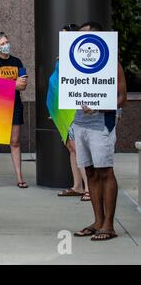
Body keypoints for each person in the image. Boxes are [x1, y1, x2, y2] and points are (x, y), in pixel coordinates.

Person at [73, 22, 127, 241]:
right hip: (80, 123)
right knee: (91, 172)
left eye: (88, 36)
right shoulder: (74, 64)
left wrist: (99, 105)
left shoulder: (112, 63)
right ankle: (97, 221)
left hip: (101, 124)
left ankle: (109, 225)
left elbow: (122, 97)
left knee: (105, 172)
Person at [0, 32, 28, 189]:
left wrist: (7, 84)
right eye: (2, 43)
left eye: (7, 42)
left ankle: (19, 177)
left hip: (15, 104)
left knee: (15, 142)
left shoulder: (17, 61)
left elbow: (23, 85)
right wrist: (13, 84)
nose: (6, 45)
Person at [55, 23, 90, 201]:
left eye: (66, 35)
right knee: (71, 148)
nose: (63, 39)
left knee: (78, 148)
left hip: (77, 109)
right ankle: (77, 186)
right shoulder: (62, 57)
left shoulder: (81, 57)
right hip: (64, 109)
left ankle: (88, 188)